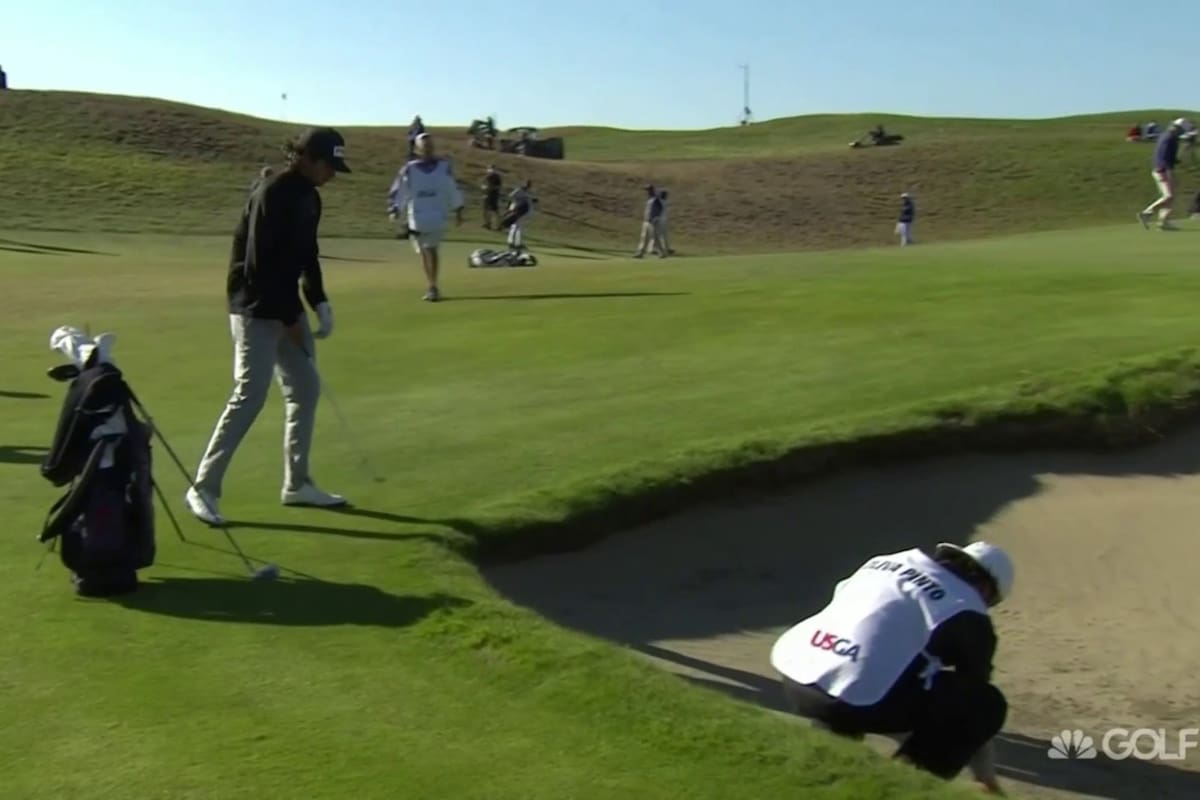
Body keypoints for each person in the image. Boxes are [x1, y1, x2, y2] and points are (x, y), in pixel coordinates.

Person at [184, 127, 351, 526]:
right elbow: (260, 267)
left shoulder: (311, 198)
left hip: (282, 305)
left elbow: (307, 256)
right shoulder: (272, 193)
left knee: (306, 389)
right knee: (250, 395)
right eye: (329, 164)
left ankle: (297, 484)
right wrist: (291, 317)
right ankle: (203, 487)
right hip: (253, 307)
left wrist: (320, 300)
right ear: (307, 157)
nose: (332, 173)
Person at [770, 540, 1015, 795]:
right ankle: (901, 786)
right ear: (986, 590)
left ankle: (832, 750)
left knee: (872, 666)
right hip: (851, 698)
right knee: (987, 705)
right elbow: (973, 697)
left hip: (799, 675)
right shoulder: (969, 610)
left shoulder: (888, 561)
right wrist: (986, 777)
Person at [387, 132, 464, 302]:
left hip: (436, 215)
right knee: (424, 251)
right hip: (417, 217)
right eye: (424, 147)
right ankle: (431, 284)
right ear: (417, 149)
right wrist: (395, 209)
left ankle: (433, 285)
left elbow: (452, 189)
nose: (428, 150)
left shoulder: (444, 167)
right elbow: (400, 190)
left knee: (431, 249)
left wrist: (458, 209)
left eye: (430, 147)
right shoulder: (409, 169)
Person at [1139, 118, 1189, 231]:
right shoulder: (1171, 138)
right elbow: (1164, 156)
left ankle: (1163, 222)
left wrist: (1178, 159)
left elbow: (1168, 156)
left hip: (1160, 169)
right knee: (1169, 196)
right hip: (1162, 170)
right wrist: (1169, 171)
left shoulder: (1166, 136)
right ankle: (1147, 213)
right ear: (1177, 128)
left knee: (1170, 196)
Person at [502, 180, 537, 252]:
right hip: (518, 211)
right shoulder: (519, 190)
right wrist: (517, 204)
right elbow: (511, 196)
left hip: (522, 211)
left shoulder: (526, 192)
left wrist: (532, 200)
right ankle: (517, 243)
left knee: (516, 227)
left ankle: (513, 243)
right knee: (518, 227)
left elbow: (526, 199)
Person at [633, 184, 667, 259]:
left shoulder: (656, 198)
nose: (647, 192)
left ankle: (661, 252)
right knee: (643, 237)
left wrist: (656, 217)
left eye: (648, 190)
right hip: (646, 220)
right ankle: (640, 252)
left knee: (655, 237)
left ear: (652, 190)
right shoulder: (650, 198)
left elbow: (660, 208)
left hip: (653, 221)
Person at [481, 165, 503, 230]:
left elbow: (498, 187)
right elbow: (484, 184)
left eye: (490, 169)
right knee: (486, 210)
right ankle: (487, 223)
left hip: (493, 196)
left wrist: (490, 188)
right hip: (487, 195)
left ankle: (499, 225)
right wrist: (484, 188)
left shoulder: (497, 177)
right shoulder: (488, 177)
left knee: (494, 211)